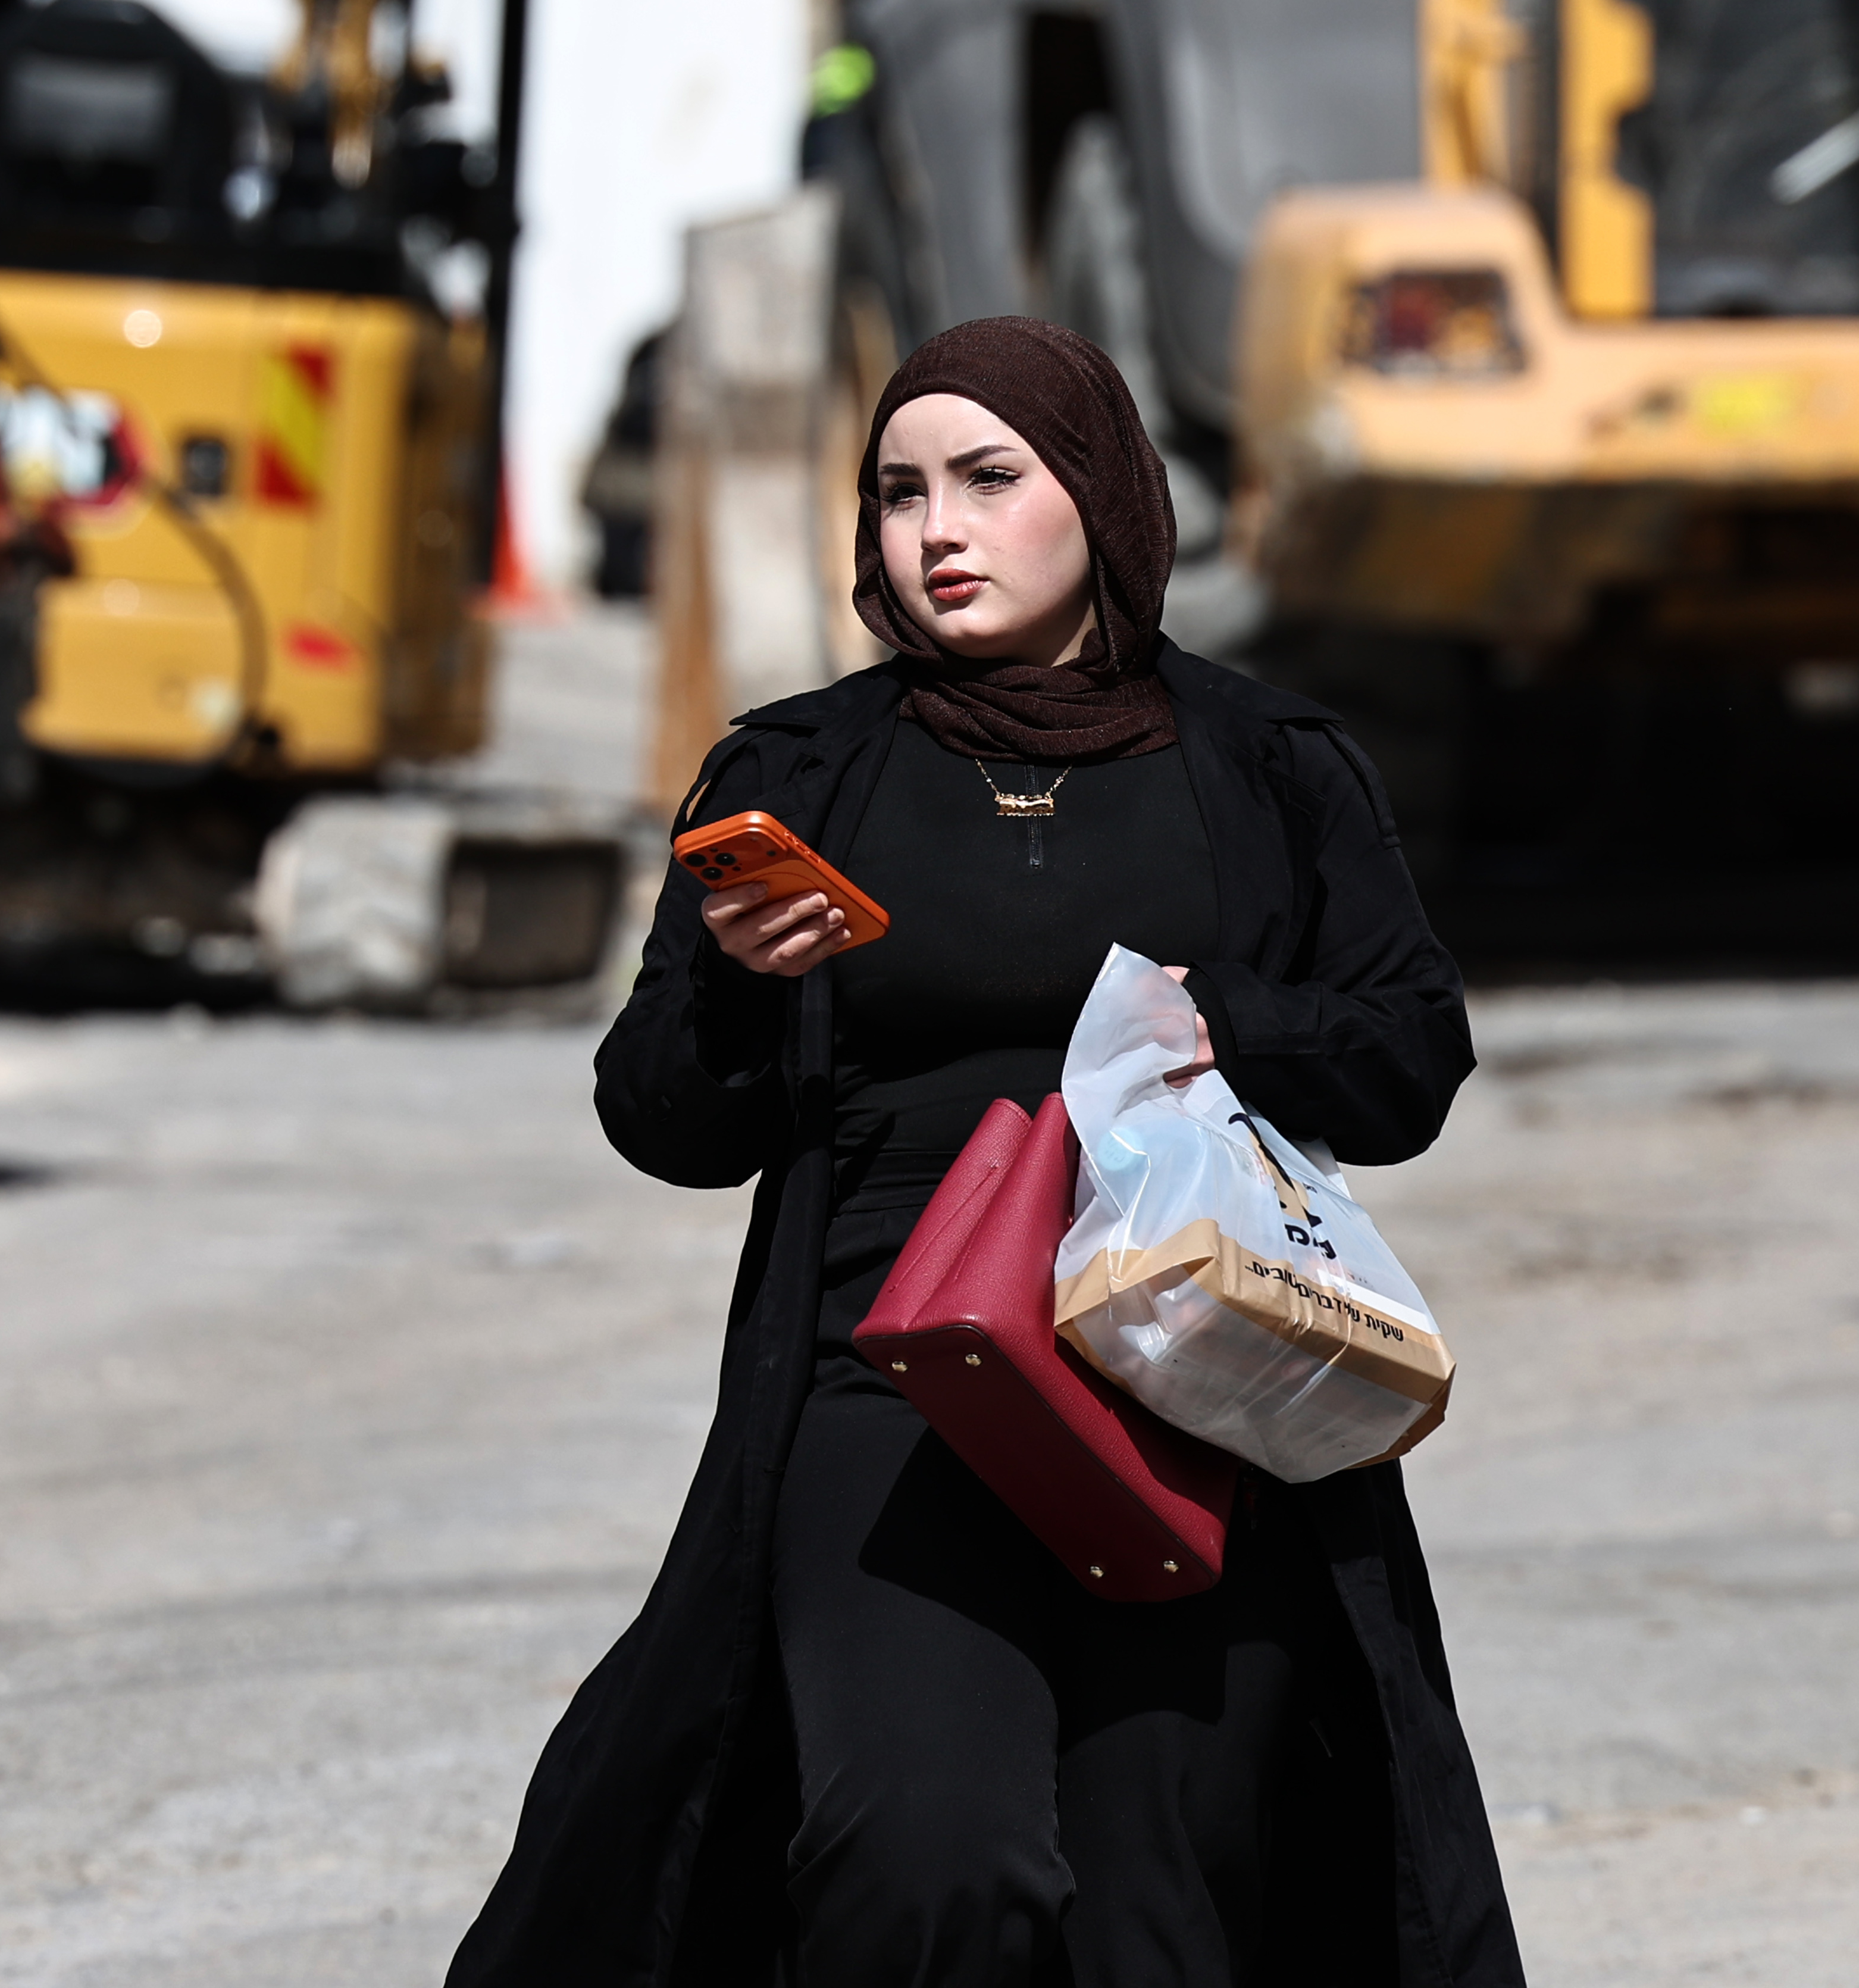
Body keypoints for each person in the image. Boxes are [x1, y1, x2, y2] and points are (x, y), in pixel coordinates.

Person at [447, 317, 1522, 1986]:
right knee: (923, 1860)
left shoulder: (1272, 768)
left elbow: (1409, 1061)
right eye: (895, 494)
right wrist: (734, 988)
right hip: (890, 1391)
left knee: (1162, 1912)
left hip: (1198, 1385)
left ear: (1096, 495)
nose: (934, 531)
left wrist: (1225, 1012)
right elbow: (659, 1119)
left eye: (986, 481)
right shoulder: (803, 774)